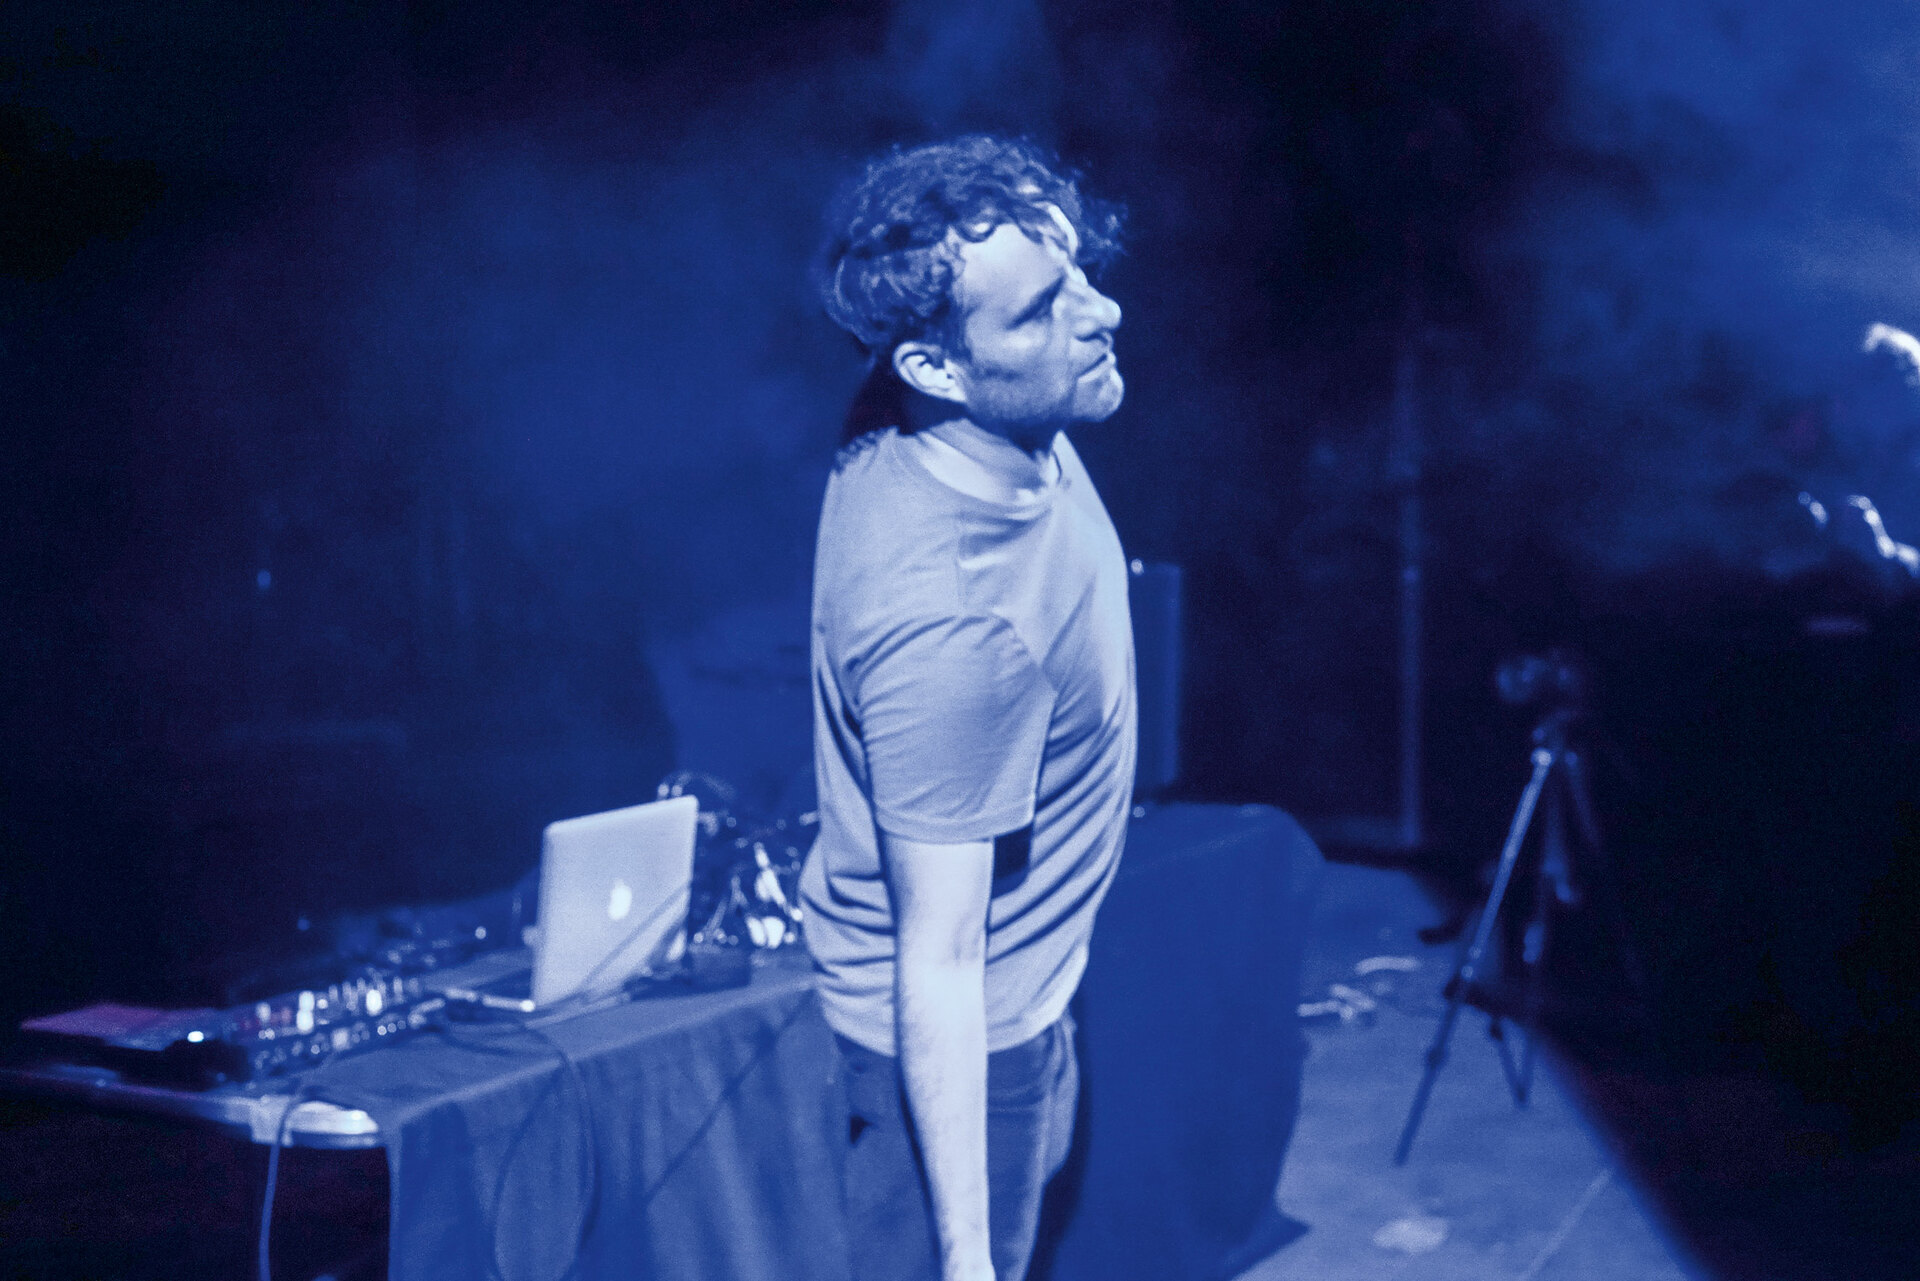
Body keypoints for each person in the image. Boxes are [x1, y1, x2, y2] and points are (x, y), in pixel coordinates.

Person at [799, 135, 1136, 1281]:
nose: (1102, 314)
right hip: (963, 1055)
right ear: (935, 369)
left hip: (1030, 992)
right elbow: (938, 960)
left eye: (1079, 273)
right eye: (1041, 311)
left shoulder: (966, 415)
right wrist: (967, 1259)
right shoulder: (954, 629)